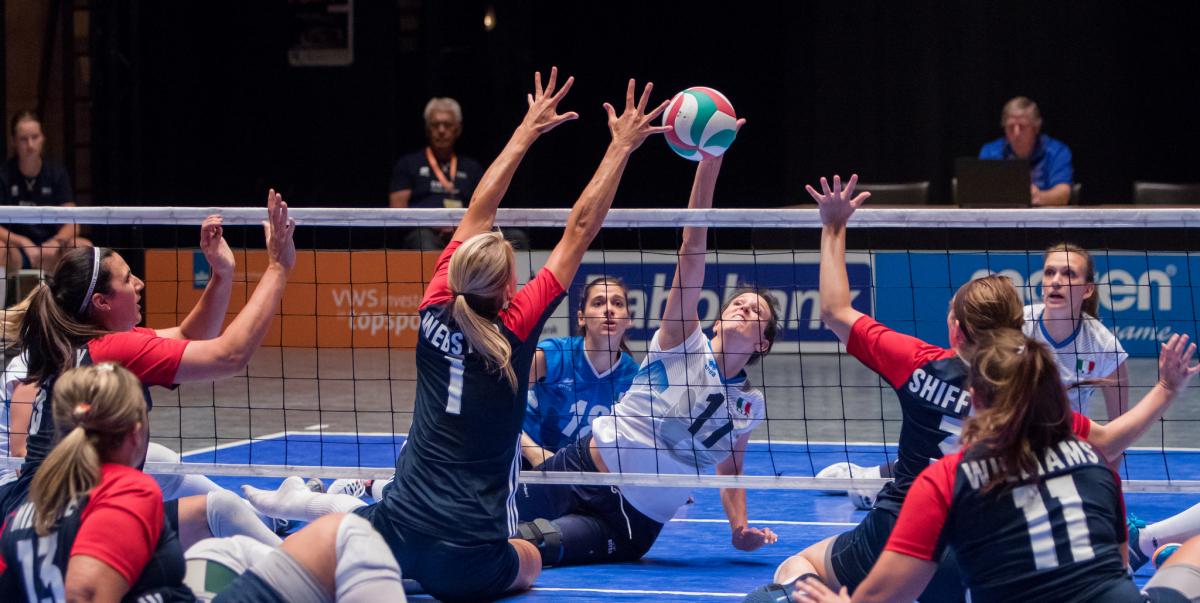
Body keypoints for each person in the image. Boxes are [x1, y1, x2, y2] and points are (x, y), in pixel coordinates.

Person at [244, 68, 672, 601]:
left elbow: (479, 209)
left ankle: (284, 534)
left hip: (398, 528)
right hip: (468, 558)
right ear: (511, 285)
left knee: (355, 531)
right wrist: (620, 148)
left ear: (456, 275)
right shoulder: (514, 332)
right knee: (532, 560)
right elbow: (580, 228)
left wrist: (527, 129)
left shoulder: (433, 309)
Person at [514, 128, 785, 569]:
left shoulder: (748, 406)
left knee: (528, 546)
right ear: (716, 320)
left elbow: (731, 471)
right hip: (577, 470)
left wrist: (739, 528)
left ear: (762, 342)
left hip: (629, 523)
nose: (742, 309)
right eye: (737, 303)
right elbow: (692, 249)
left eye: (755, 313)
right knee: (481, 519)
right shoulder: (682, 341)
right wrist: (710, 163)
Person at [789, 328, 1200, 603]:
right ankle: (1156, 545)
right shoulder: (1094, 463)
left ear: (975, 398)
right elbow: (1117, 565)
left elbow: (882, 598)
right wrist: (1166, 388)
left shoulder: (947, 478)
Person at [0, 190, 296, 552]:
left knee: (175, 474)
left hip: (30, 516)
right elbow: (230, 355)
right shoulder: (109, 350)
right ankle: (299, 569)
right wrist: (279, 267)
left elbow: (188, 336)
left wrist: (222, 274)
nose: (139, 284)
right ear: (101, 302)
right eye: (127, 279)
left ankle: (271, 520)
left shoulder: (85, 342)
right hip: (55, 524)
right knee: (218, 510)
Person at [520, 275, 638, 468]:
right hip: (526, 458)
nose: (609, 309)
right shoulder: (554, 355)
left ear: (629, 319)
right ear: (582, 317)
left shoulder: (635, 379)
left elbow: (643, 439)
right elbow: (499, 399)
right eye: (598, 303)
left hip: (583, 471)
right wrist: (534, 453)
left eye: (617, 303)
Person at [1026, 242, 1128, 419]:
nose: (1056, 281)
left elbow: (1119, 423)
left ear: (1087, 290)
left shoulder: (1104, 346)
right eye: (1049, 272)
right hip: (1016, 439)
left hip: (1069, 440)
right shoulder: (1016, 325)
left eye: (1069, 274)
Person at [389, 97, 496, 250]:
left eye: (447, 125)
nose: (441, 130)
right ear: (427, 129)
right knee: (424, 238)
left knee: (513, 237)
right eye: (435, 125)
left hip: (466, 234)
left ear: (457, 129)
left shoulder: (472, 169)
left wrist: (461, 228)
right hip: (424, 234)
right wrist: (434, 224)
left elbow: (485, 210)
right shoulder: (408, 164)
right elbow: (396, 215)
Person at [0, 110, 91, 273]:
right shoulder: (4, 176)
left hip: (50, 248)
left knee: (83, 248)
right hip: (16, 250)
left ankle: (77, 298)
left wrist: (55, 242)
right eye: (23, 139)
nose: (30, 145)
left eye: (35, 137)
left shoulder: (56, 174)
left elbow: (73, 223)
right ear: (13, 141)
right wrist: (21, 241)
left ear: (43, 138)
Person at [978, 96, 1073, 207]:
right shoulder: (990, 152)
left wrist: (1038, 197)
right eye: (1010, 127)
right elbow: (980, 192)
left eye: (1022, 127)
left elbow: (1063, 193)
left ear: (1036, 128)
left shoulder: (1057, 151)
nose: (1016, 133)